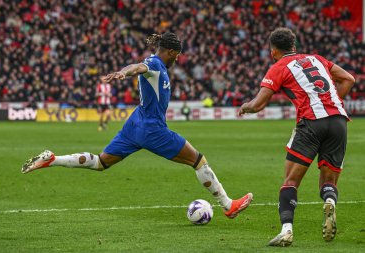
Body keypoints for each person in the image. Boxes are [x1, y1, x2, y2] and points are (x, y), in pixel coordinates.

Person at [22, 32, 253, 219]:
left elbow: (138, 67)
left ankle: (53, 159)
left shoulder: (157, 65)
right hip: (152, 128)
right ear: (171, 52)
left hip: (135, 123)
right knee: (198, 160)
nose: (177, 59)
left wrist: (125, 72)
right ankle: (228, 204)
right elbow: (137, 67)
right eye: (177, 55)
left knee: (102, 162)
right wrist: (123, 73)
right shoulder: (155, 63)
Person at [239, 27, 355, 246]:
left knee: (290, 181)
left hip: (311, 123)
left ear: (273, 51)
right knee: (328, 181)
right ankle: (330, 201)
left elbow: (259, 103)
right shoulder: (316, 58)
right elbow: (348, 79)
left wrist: (245, 107)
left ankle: (286, 230)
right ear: (294, 46)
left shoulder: (279, 66)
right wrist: (332, 103)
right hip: (339, 120)